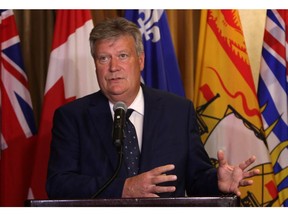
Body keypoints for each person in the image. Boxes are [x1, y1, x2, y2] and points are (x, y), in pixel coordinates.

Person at [46, 17, 259, 199]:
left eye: (122, 56)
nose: (113, 68)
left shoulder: (178, 111)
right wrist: (123, 188)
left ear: (140, 60)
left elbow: (196, 178)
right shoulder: (72, 117)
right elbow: (58, 185)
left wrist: (218, 182)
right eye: (104, 58)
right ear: (95, 65)